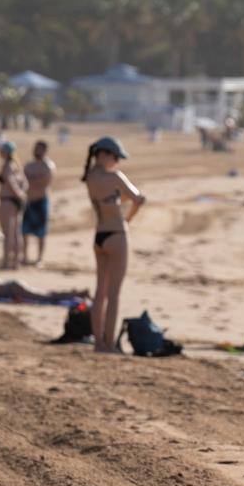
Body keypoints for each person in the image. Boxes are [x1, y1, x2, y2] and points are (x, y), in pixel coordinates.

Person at [82, 136, 147, 353]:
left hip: (99, 236)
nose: (117, 162)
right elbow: (138, 199)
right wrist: (128, 219)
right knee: (114, 293)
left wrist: (119, 202)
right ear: (105, 155)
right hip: (117, 234)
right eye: (116, 157)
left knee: (100, 292)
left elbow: (107, 200)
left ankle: (98, 342)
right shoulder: (115, 177)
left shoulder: (90, 176)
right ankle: (109, 343)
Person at [0, 256, 88, 303]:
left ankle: (75, 294)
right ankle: (74, 293)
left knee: (46, 297)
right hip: (11, 287)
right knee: (45, 295)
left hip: (11, 289)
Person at [21, 140, 55, 265]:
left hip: (41, 201)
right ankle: (24, 256)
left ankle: (39, 258)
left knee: (41, 232)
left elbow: (45, 181)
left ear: (44, 150)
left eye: (39, 149)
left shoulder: (48, 166)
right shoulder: (29, 165)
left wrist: (32, 179)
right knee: (24, 231)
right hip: (28, 202)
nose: (36, 151)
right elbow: (22, 181)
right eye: (35, 148)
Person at [0, 142, 28, 270]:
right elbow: (24, 183)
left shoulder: (7, 166)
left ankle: (6, 261)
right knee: (15, 232)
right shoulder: (17, 166)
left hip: (8, 201)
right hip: (15, 202)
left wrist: (18, 195)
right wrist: (21, 195)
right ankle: (15, 262)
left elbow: (10, 182)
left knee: (8, 233)